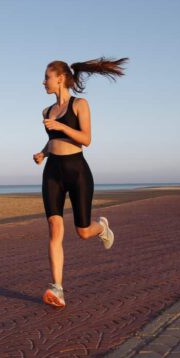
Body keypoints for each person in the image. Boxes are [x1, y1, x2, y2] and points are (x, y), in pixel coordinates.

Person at [33, 56, 129, 308]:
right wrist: (43, 152)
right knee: (54, 229)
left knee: (83, 232)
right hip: (52, 171)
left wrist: (62, 128)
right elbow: (53, 138)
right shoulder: (46, 111)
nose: (43, 82)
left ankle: (103, 228)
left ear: (60, 78)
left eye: (47, 77)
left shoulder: (80, 104)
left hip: (77, 171)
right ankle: (58, 288)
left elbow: (86, 139)